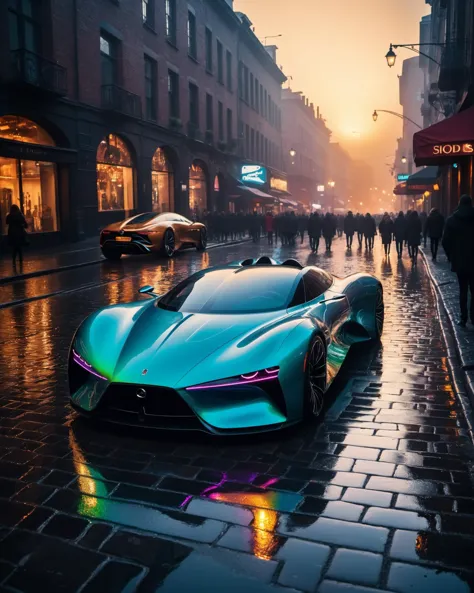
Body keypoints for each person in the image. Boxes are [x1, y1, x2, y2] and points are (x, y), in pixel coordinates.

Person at [442, 195, 474, 327]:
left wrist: (451, 256)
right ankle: (473, 317)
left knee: (462, 290)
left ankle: (463, 318)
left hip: (459, 261)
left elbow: (445, 242)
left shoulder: (452, 220)